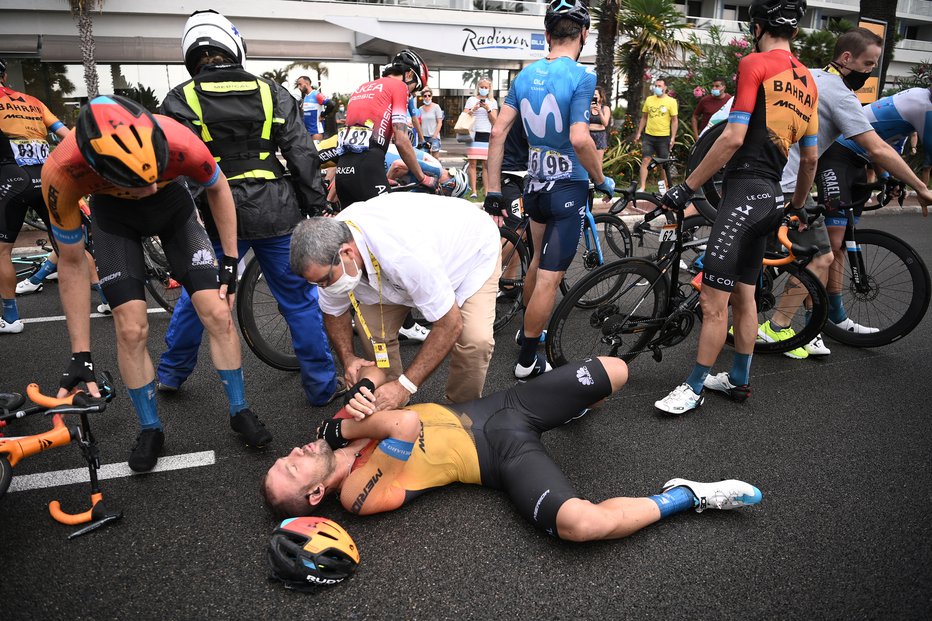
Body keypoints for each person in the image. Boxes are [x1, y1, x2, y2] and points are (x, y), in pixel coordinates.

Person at [262, 357, 763, 542]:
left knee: (615, 371)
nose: (295, 450)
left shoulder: (333, 433)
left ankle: (567, 411)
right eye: (293, 465)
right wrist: (342, 430)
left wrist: (359, 385)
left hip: (495, 408)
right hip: (498, 457)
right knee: (580, 526)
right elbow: (406, 421)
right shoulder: (354, 494)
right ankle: (685, 496)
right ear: (314, 495)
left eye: (287, 455)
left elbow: (373, 376)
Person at [41, 94, 266, 472]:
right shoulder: (63, 172)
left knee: (217, 311)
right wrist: (81, 352)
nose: (146, 187)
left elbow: (218, 187)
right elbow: (73, 262)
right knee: (130, 328)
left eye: (152, 175)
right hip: (114, 219)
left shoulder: (180, 139)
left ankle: (240, 409)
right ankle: (150, 428)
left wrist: (229, 258)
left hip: (173, 209)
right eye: (135, 182)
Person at [157, 9, 343, 407]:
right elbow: (301, 153)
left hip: (214, 213)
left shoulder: (180, 98)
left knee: (199, 296)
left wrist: (180, 219)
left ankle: (171, 374)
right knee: (297, 300)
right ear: (233, 45)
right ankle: (322, 387)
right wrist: (315, 207)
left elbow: (172, 164)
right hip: (277, 210)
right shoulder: (270, 91)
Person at [655, 0, 818, 414]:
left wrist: (685, 187)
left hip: (744, 193)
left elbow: (731, 137)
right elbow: (810, 159)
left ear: (758, 27)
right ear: (795, 33)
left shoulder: (755, 64)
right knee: (744, 294)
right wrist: (796, 207)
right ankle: (739, 381)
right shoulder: (809, 83)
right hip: (773, 199)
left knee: (714, 301)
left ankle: (693, 388)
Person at [760, 30, 932, 359]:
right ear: (847, 58)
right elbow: (877, 147)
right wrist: (920, 186)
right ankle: (779, 327)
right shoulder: (841, 95)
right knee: (822, 253)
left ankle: (816, 323)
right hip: (794, 178)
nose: (871, 71)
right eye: (869, 64)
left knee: (819, 250)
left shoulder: (806, 75)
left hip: (769, 174)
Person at [483, 0, 615, 381]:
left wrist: (492, 189)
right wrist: (602, 179)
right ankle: (527, 359)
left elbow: (497, 132)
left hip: (535, 184)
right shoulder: (581, 76)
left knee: (538, 261)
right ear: (585, 36)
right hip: (567, 188)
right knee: (549, 276)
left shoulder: (525, 75)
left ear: (547, 36)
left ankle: (530, 333)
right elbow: (580, 138)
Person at [289, 193, 500, 410]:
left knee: (475, 341)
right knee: (370, 330)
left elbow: (449, 324)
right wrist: (349, 359)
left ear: (347, 252)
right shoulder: (329, 253)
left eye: (325, 280)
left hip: (469, 253)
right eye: (317, 284)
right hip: (403, 272)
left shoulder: (402, 253)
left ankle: (461, 412)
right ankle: (391, 402)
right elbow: (334, 312)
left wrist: (406, 385)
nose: (323, 288)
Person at [0, 57, 70, 333]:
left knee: (3, 251)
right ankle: (107, 298)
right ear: (5, 76)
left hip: (12, 181)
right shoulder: (33, 102)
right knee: (70, 247)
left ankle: (10, 318)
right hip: (48, 177)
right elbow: (67, 135)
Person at [334, 49, 436, 207]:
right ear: (409, 74)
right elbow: (401, 140)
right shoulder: (399, 87)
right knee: (388, 227)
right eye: (415, 88)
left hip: (343, 171)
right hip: (369, 168)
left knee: (353, 229)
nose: (412, 94)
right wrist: (423, 178)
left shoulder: (363, 87)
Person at [634, 77, 678, 192]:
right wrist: (639, 133)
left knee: (663, 164)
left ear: (665, 87)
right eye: (656, 85)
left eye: (659, 86)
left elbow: (674, 120)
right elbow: (644, 117)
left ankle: (665, 188)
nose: (657, 88)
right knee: (645, 160)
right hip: (649, 136)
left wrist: (673, 137)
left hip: (664, 137)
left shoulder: (671, 101)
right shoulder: (649, 100)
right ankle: (642, 186)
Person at [463, 77, 499, 199]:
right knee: (472, 163)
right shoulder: (471, 100)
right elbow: (464, 115)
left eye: (486, 87)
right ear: (478, 87)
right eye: (481, 87)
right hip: (473, 133)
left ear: (489, 89)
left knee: (485, 164)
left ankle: (486, 191)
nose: (483, 89)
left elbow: (495, 121)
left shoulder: (492, 102)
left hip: (485, 133)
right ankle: (473, 191)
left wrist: (488, 109)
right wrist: (474, 109)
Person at [296, 76, 329, 141]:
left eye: (300, 84)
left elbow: (331, 104)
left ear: (307, 83)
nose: (299, 87)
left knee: (317, 151)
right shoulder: (306, 97)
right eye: (298, 85)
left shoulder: (316, 94)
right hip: (307, 132)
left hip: (316, 132)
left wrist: (323, 115)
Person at [418, 88, 444, 158]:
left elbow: (439, 122)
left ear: (431, 97)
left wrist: (434, 136)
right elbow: (419, 124)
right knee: (425, 159)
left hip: (434, 137)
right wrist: (421, 137)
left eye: (429, 95)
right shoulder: (420, 109)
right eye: (425, 96)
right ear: (422, 97)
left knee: (435, 159)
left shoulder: (436, 107)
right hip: (424, 137)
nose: (427, 97)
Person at [589, 85, 612, 160]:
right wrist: (589, 109)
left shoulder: (605, 108)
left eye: (595, 95)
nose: (593, 96)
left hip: (600, 135)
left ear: (600, 97)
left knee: (598, 163)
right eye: (592, 94)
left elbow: (605, 123)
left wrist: (599, 111)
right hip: (587, 135)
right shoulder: (586, 108)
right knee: (587, 162)